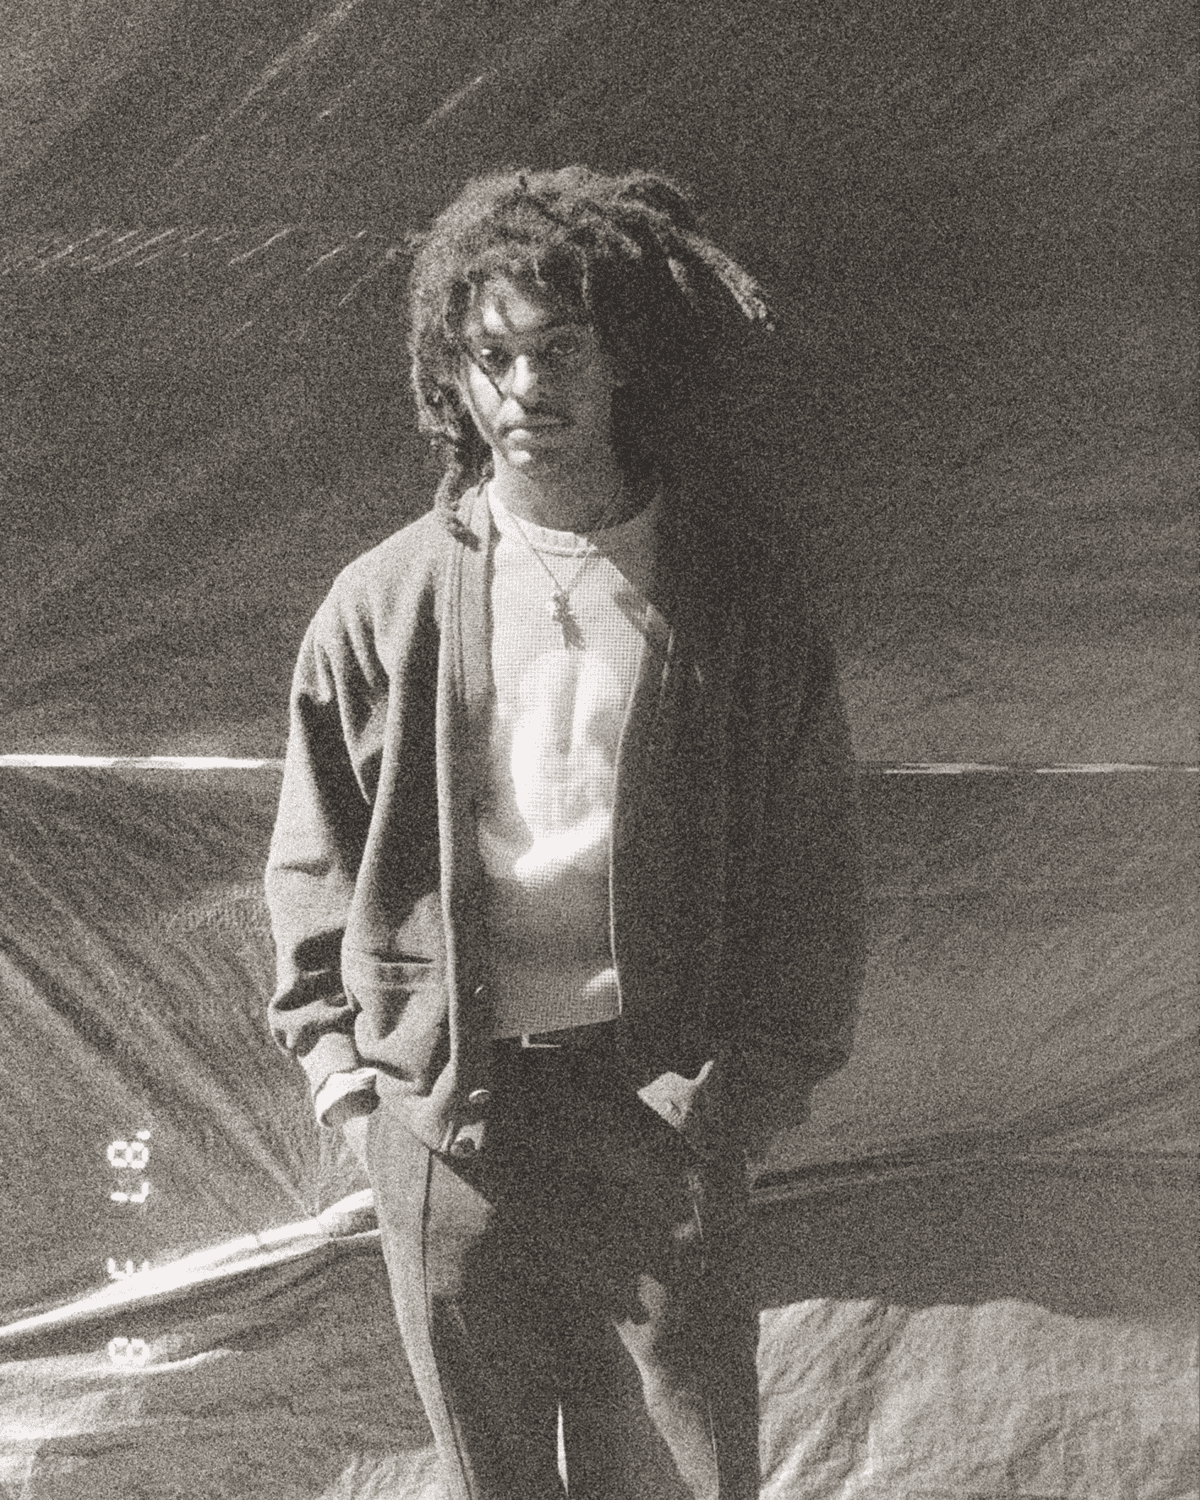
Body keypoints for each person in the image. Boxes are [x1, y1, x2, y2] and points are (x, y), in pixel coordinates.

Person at [265, 165, 865, 1500]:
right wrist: (351, 1090)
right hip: (448, 1119)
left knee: (685, 1473)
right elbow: (313, 860)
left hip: (660, 1116)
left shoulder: (734, 592)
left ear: (622, 359)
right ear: (452, 375)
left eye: (561, 350)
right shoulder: (384, 602)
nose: (527, 388)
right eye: (494, 357)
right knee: (494, 1480)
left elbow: (815, 878)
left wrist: (738, 1101)